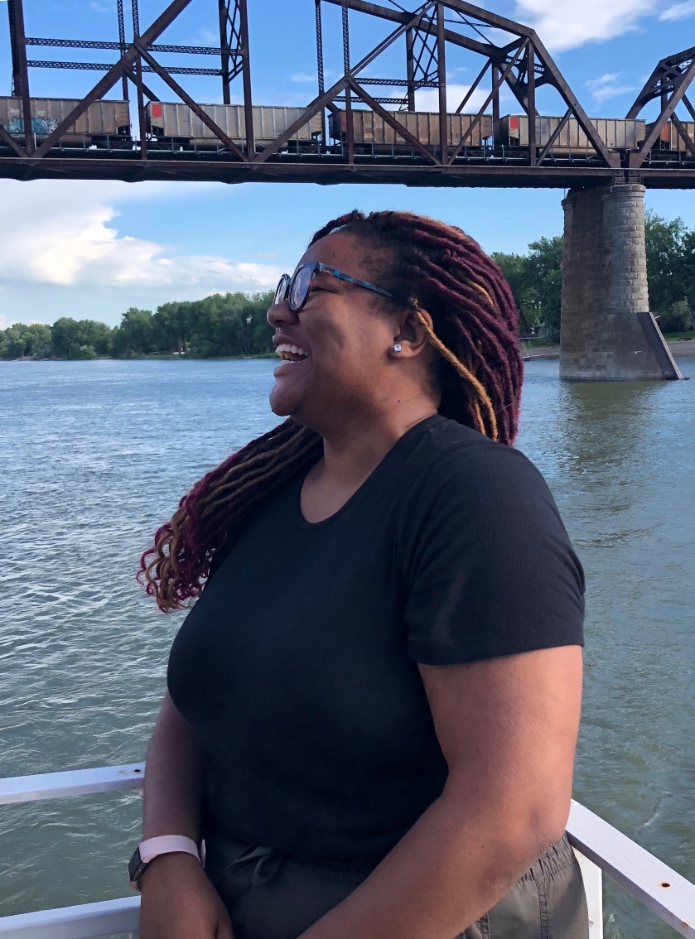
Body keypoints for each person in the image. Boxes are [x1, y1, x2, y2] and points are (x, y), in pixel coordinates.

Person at [135, 210, 587, 939]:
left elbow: (515, 806)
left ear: (407, 333)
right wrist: (167, 857)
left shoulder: (476, 495)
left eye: (312, 284)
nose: (278, 307)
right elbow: (192, 702)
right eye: (287, 283)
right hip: (237, 895)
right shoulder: (266, 495)